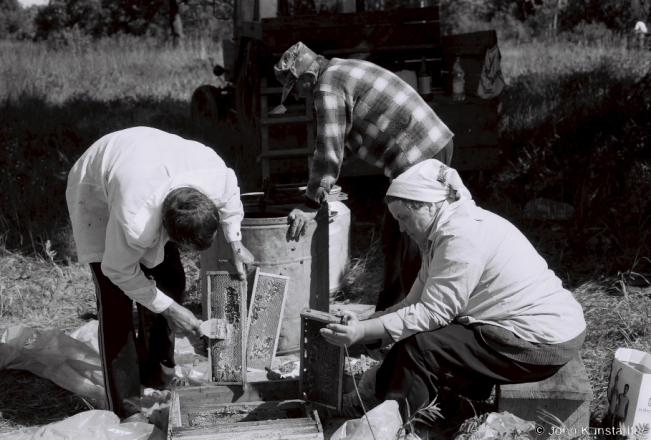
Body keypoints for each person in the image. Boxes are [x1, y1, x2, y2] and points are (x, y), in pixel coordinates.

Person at [320, 159, 587, 419]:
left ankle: (398, 420)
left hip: (540, 342)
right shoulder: (443, 232)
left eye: (404, 217)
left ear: (428, 207)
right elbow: (413, 305)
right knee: (419, 335)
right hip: (533, 331)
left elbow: (432, 314)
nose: (401, 228)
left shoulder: (460, 235)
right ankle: (386, 398)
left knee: (421, 347)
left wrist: (363, 332)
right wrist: (363, 324)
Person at [66, 127, 254, 420]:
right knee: (115, 304)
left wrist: (236, 243)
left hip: (151, 163)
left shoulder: (217, 176)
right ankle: (126, 407)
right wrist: (173, 311)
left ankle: (156, 369)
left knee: (173, 280)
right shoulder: (135, 220)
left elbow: (230, 200)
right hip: (96, 188)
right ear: (168, 230)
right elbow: (118, 270)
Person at [273, 41, 454, 312]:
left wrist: (311, 203)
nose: (299, 97)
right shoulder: (341, 68)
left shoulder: (326, 86)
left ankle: (402, 319)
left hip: (418, 155)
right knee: (408, 237)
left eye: (296, 89)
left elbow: (328, 148)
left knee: (404, 241)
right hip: (433, 142)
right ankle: (397, 313)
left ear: (307, 77)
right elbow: (351, 134)